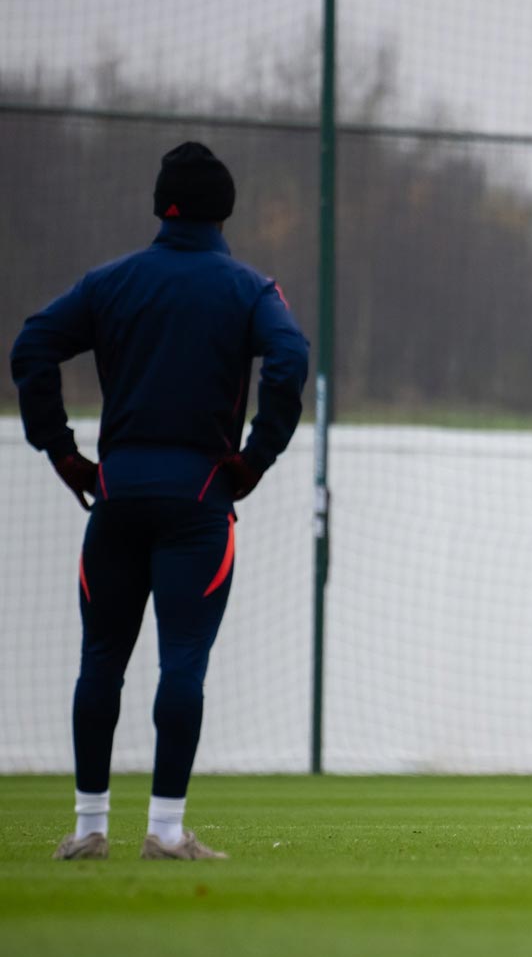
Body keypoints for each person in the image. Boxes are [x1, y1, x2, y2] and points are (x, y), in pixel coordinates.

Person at [10, 141, 310, 861]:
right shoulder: (250, 290)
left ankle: (88, 829)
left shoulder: (110, 283)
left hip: (116, 497)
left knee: (100, 661)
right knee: (182, 665)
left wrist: (61, 451)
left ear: (160, 205)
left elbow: (31, 346)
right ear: (225, 209)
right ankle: (166, 833)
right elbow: (290, 357)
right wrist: (257, 457)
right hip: (199, 500)